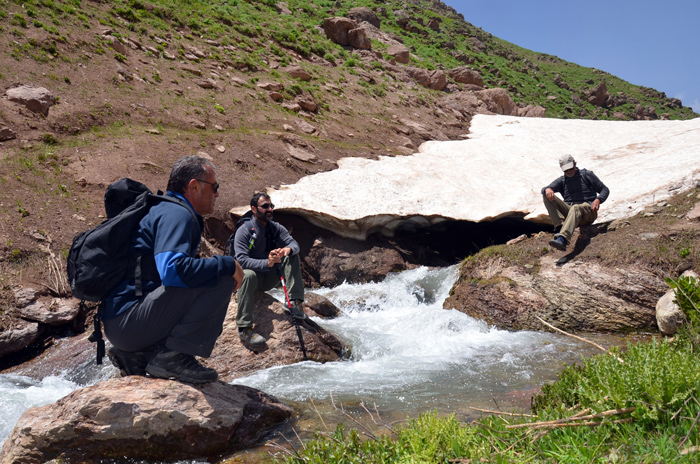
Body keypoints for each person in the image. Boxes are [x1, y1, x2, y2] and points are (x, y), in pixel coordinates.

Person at [103, 155, 244, 384]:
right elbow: (172, 271)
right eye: (214, 187)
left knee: (204, 273)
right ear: (194, 186)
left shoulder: (162, 209)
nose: (217, 193)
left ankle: (138, 355)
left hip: (122, 324)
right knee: (221, 278)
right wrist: (227, 263)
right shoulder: (177, 214)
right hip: (128, 323)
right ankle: (173, 357)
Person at [233, 193, 306, 346]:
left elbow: (295, 245)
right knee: (248, 275)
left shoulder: (276, 228)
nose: (269, 209)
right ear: (254, 209)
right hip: (252, 279)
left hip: (271, 277)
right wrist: (267, 262)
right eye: (265, 206)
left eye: (271, 206)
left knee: (293, 255)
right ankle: (245, 329)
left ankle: (294, 302)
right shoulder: (244, 231)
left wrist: (287, 250)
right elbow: (241, 261)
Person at [541, 154, 610, 251]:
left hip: (588, 211)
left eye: (571, 168)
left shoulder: (587, 175)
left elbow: (604, 189)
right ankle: (561, 227)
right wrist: (547, 189)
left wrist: (598, 200)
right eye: (566, 170)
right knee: (546, 195)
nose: (569, 172)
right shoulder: (562, 180)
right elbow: (545, 190)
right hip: (572, 213)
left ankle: (563, 240)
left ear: (575, 164)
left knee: (576, 207)